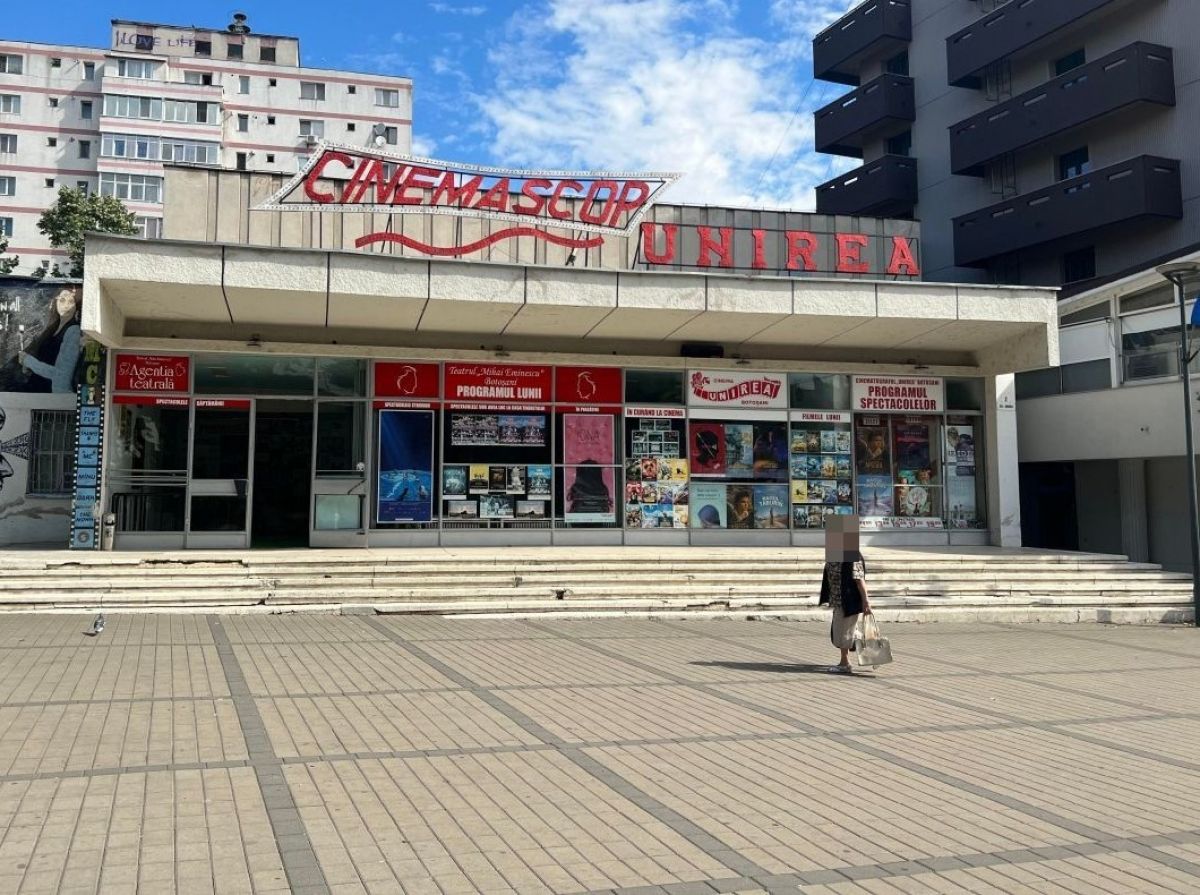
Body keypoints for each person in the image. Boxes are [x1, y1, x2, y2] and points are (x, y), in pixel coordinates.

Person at [819, 514, 872, 674]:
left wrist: (866, 602)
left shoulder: (852, 555)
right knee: (840, 633)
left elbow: (859, 580)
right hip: (838, 600)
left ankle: (845, 663)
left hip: (849, 601)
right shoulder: (835, 553)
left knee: (842, 634)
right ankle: (860, 644)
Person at [20, 286, 81, 394]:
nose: (66, 305)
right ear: (55, 302)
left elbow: (62, 375)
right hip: (37, 390)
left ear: (76, 307)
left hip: (53, 396)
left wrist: (29, 361)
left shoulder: (73, 331)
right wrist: (28, 366)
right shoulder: (52, 328)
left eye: (71, 302)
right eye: (62, 300)